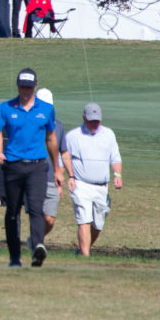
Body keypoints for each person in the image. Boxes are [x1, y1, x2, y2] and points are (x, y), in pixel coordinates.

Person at [0, 67, 63, 267]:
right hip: (13, 166)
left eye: (29, 87)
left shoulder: (46, 109)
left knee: (37, 208)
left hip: (37, 166)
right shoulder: (6, 108)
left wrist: (57, 168)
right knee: (12, 211)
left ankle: (38, 246)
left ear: (35, 87)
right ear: (18, 86)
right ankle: (14, 257)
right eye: (22, 87)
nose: (25, 91)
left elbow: (51, 138)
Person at [62, 102, 123, 257]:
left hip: (102, 186)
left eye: (97, 120)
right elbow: (63, 157)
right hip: (81, 184)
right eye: (90, 120)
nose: (94, 124)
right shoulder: (72, 136)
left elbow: (115, 158)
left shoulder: (108, 134)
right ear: (84, 118)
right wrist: (67, 176)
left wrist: (117, 175)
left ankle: (83, 251)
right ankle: (85, 256)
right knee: (84, 219)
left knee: (98, 223)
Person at [31, 87, 65, 244]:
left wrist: (60, 175)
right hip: (33, 175)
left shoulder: (58, 126)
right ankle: (37, 243)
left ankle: (36, 239)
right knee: (36, 214)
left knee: (50, 219)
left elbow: (61, 153)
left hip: (51, 177)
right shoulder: (29, 124)